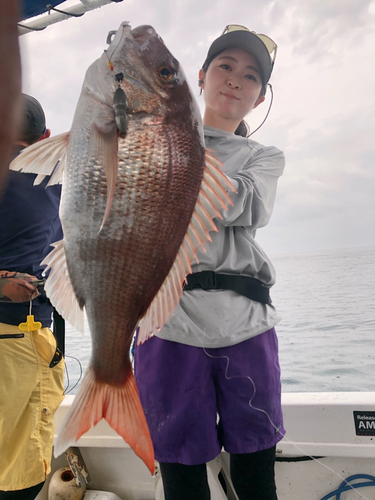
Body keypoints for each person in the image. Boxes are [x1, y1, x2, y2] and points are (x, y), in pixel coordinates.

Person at [134, 25, 285, 500]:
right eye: (225, 66)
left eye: (250, 76)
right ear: (199, 77)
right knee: (181, 479)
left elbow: (246, 205)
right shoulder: (151, 140)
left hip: (246, 324)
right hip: (167, 324)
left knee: (257, 476)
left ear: (260, 98)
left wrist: (173, 148)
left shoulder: (264, 156)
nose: (235, 81)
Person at [0, 94, 65, 500]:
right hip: (16, 343)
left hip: (31, 338)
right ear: (44, 137)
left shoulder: (54, 185)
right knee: (22, 477)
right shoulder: (56, 182)